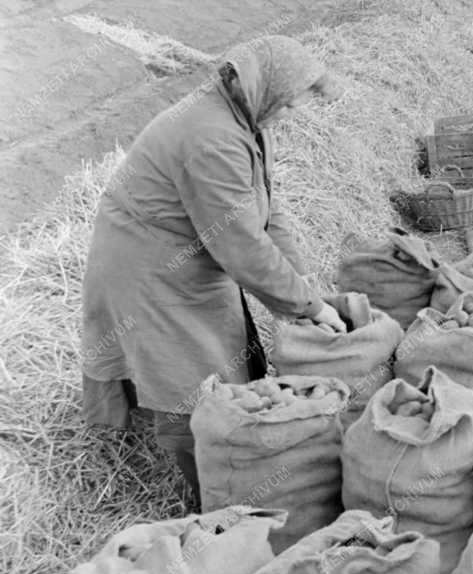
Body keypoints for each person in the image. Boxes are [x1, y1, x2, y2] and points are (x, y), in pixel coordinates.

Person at [80, 35, 346, 505]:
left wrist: (306, 292)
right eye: (289, 103)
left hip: (185, 250)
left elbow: (267, 215)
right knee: (193, 380)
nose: (293, 113)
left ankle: (228, 469)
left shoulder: (247, 120)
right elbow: (241, 246)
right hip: (149, 268)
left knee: (218, 357)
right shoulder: (212, 138)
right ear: (264, 90)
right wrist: (307, 305)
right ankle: (211, 496)